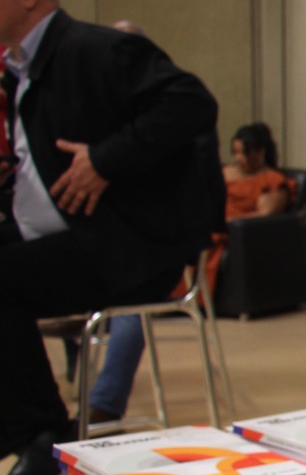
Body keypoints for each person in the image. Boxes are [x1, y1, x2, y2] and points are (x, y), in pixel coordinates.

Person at [0, 0, 220, 475]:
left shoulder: (95, 49)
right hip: (68, 234)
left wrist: (104, 159)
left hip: (128, 246)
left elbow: (191, 102)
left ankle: (43, 429)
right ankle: (19, 422)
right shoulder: (19, 69)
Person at [83, 122, 289, 425]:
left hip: (207, 238)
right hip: (138, 245)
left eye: (243, 152)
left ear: (259, 152)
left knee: (131, 291)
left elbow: (260, 212)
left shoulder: (270, 179)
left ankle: (103, 404)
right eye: (234, 153)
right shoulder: (225, 172)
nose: (238, 159)